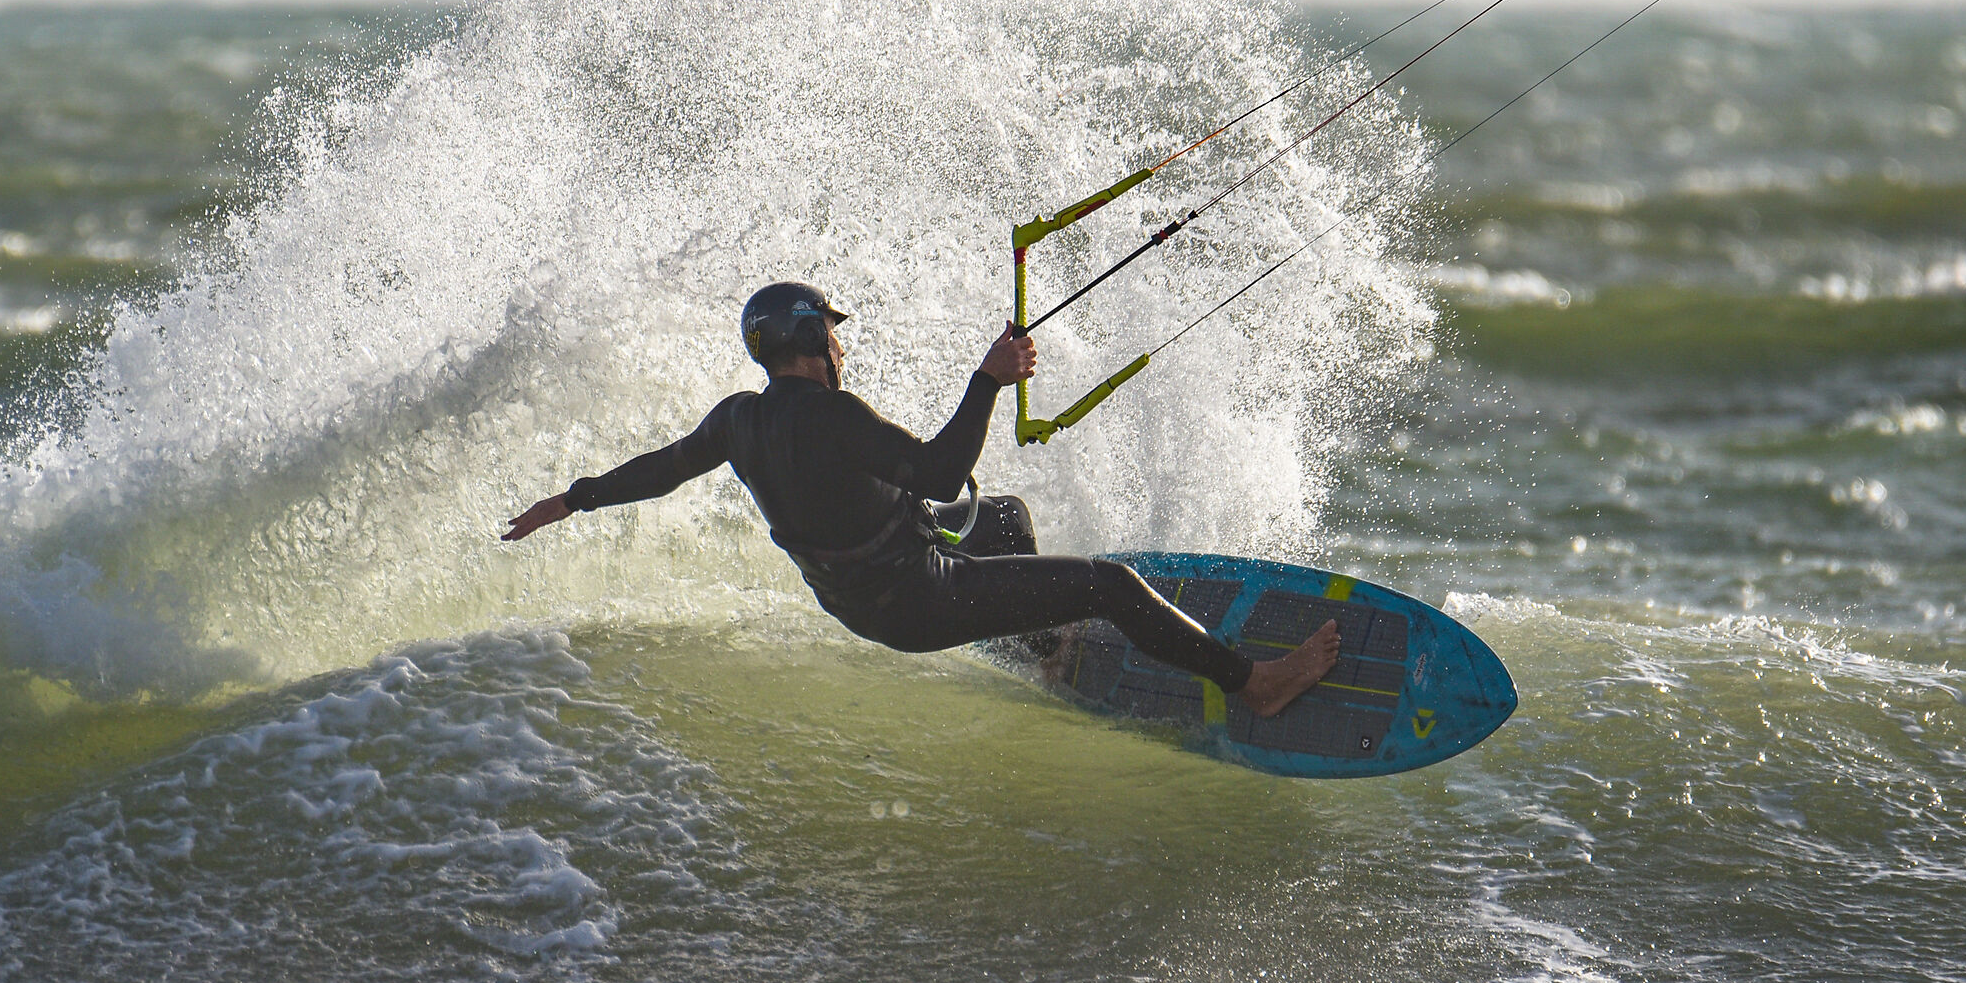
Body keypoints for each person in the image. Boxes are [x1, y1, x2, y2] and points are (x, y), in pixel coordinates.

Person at [501, 282, 1341, 716]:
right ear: (807, 341)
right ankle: (1252, 684)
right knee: (1111, 587)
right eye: (829, 328)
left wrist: (571, 500)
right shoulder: (836, 416)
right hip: (916, 596)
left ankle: (1048, 652)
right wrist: (988, 379)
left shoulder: (738, 421)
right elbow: (939, 473)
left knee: (1005, 517)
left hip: (858, 596)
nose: (838, 341)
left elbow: (660, 469)